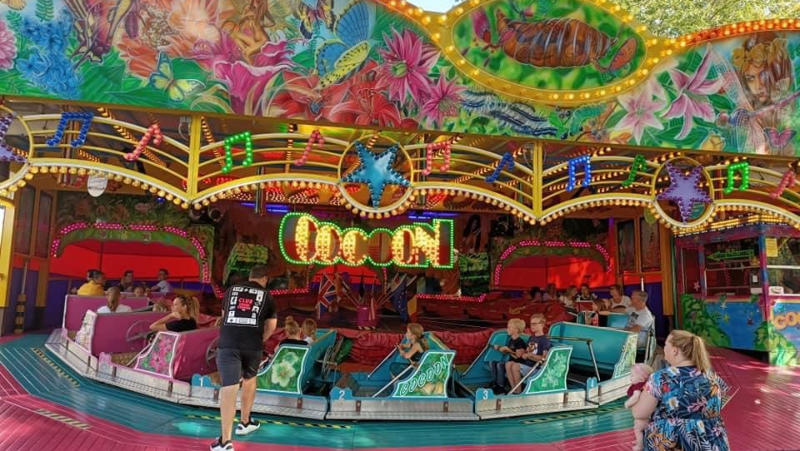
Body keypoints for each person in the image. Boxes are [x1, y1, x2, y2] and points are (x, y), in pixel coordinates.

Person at [211, 265, 277, 451]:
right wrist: (260, 340)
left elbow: (224, 317)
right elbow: (272, 326)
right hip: (252, 345)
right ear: (265, 279)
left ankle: (225, 441)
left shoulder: (231, 290)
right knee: (250, 379)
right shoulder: (267, 295)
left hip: (229, 344)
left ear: (250, 276)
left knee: (229, 387)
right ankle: (245, 422)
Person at [632, 330, 730, 450]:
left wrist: (636, 394)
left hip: (671, 443)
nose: (664, 348)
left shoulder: (661, 378)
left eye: (666, 345)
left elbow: (639, 413)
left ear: (675, 351)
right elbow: (720, 403)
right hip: (711, 443)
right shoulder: (712, 376)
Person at [506, 313, 551, 394]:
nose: (532, 326)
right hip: (527, 364)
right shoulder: (531, 338)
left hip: (536, 368)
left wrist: (530, 355)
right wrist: (522, 351)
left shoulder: (545, 340)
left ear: (542, 325)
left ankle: (518, 392)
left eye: (534, 324)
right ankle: (514, 389)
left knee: (515, 366)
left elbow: (544, 358)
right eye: (531, 324)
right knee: (508, 364)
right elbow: (527, 351)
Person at [490, 318, 527, 394]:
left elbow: (518, 356)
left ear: (516, 330)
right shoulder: (511, 340)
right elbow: (507, 352)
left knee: (500, 365)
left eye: (509, 327)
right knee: (492, 362)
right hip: (510, 361)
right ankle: (495, 383)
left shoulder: (520, 342)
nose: (507, 329)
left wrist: (508, 350)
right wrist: (500, 348)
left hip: (517, 363)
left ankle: (501, 386)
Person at [625, 363, 655, 451]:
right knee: (644, 429)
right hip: (647, 413)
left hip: (642, 415)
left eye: (632, 375)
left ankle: (640, 445)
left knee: (638, 429)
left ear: (641, 378)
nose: (630, 378)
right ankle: (641, 440)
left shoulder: (638, 386)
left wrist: (627, 403)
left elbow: (636, 397)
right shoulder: (645, 385)